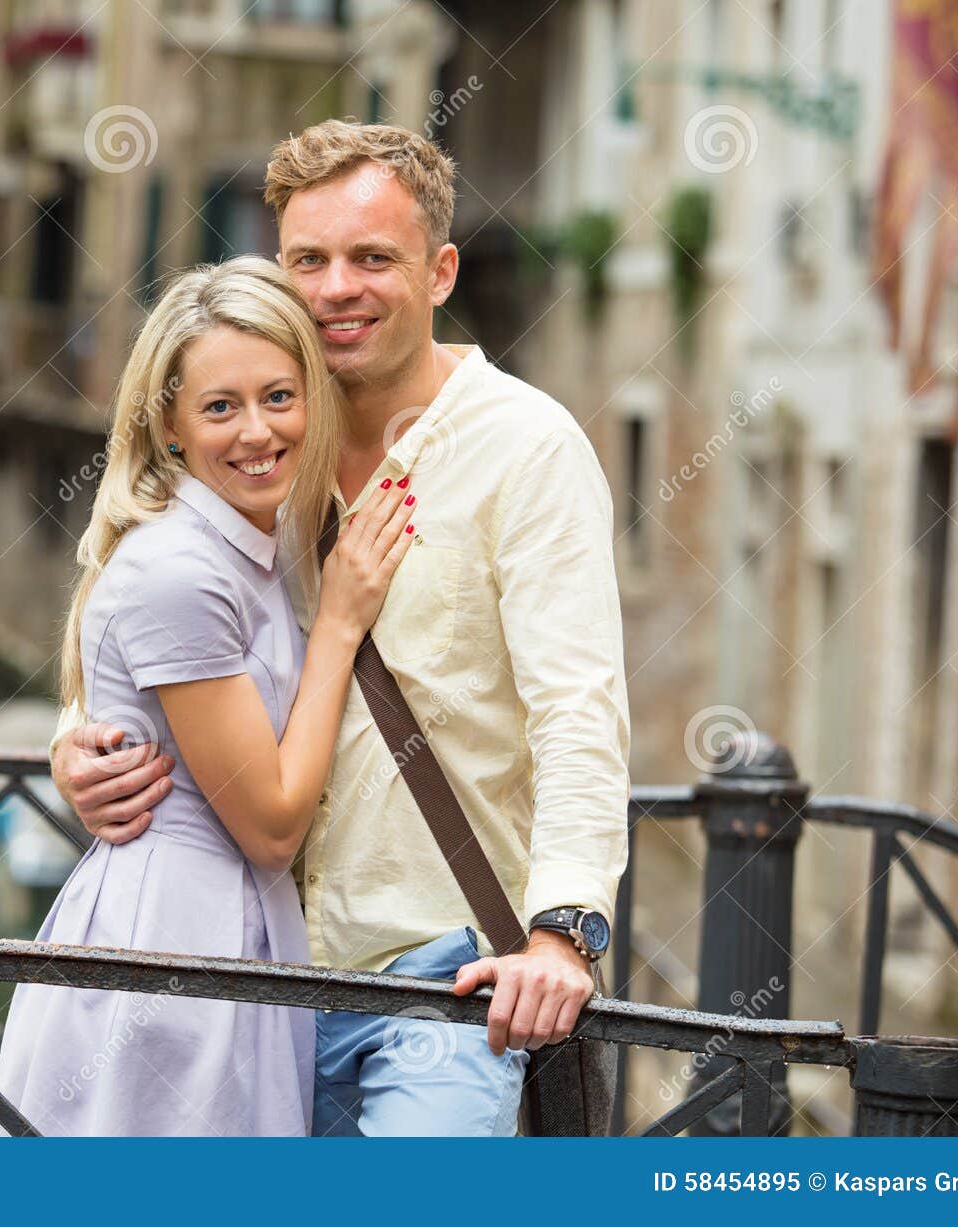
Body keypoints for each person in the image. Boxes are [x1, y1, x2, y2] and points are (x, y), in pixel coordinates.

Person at [51, 121, 632, 1137]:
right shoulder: (264, 438)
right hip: (257, 976)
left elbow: (577, 711)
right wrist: (78, 738)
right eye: (307, 261)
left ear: (440, 270)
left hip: (441, 976)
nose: (335, 289)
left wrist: (564, 934)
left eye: (373, 259)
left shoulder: (526, 448)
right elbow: (160, 614)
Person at [0, 256, 415, 1136]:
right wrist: (338, 624)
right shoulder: (183, 569)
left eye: (280, 397)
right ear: (171, 426)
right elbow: (268, 824)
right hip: (177, 937)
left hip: (222, 925)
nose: (257, 431)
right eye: (221, 406)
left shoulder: (260, 537)